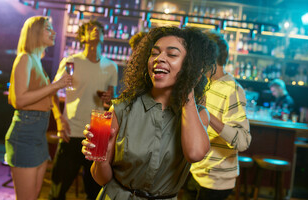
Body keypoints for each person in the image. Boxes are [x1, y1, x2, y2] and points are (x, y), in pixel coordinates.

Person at [81, 26, 218, 199]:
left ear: (189, 65)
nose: (159, 58)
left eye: (172, 54)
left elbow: (195, 154)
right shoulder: (122, 108)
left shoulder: (198, 115)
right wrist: (100, 158)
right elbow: (102, 179)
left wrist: (188, 87)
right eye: (154, 53)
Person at [49, 20, 118, 200]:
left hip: (97, 134)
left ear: (104, 37)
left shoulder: (111, 66)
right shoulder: (71, 62)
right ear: (82, 37)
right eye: (90, 29)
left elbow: (112, 103)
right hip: (71, 131)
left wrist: (109, 100)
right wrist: (58, 120)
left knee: (95, 193)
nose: (96, 30)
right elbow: (53, 91)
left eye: (99, 29)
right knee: (57, 190)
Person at [5, 16, 72, 200]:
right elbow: (19, 100)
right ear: (35, 32)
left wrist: (59, 118)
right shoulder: (24, 58)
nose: (54, 32)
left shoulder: (36, 60)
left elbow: (46, 98)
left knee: (33, 196)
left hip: (38, 134)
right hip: (25, 133)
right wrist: (55, 85)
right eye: (48, 29)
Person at [181, 31, 251, 200]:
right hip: (196, 171)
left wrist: (208, 115)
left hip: (216, 180)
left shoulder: (232, 90)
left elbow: (243, 141)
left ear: (209, 59)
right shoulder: (204, 84)